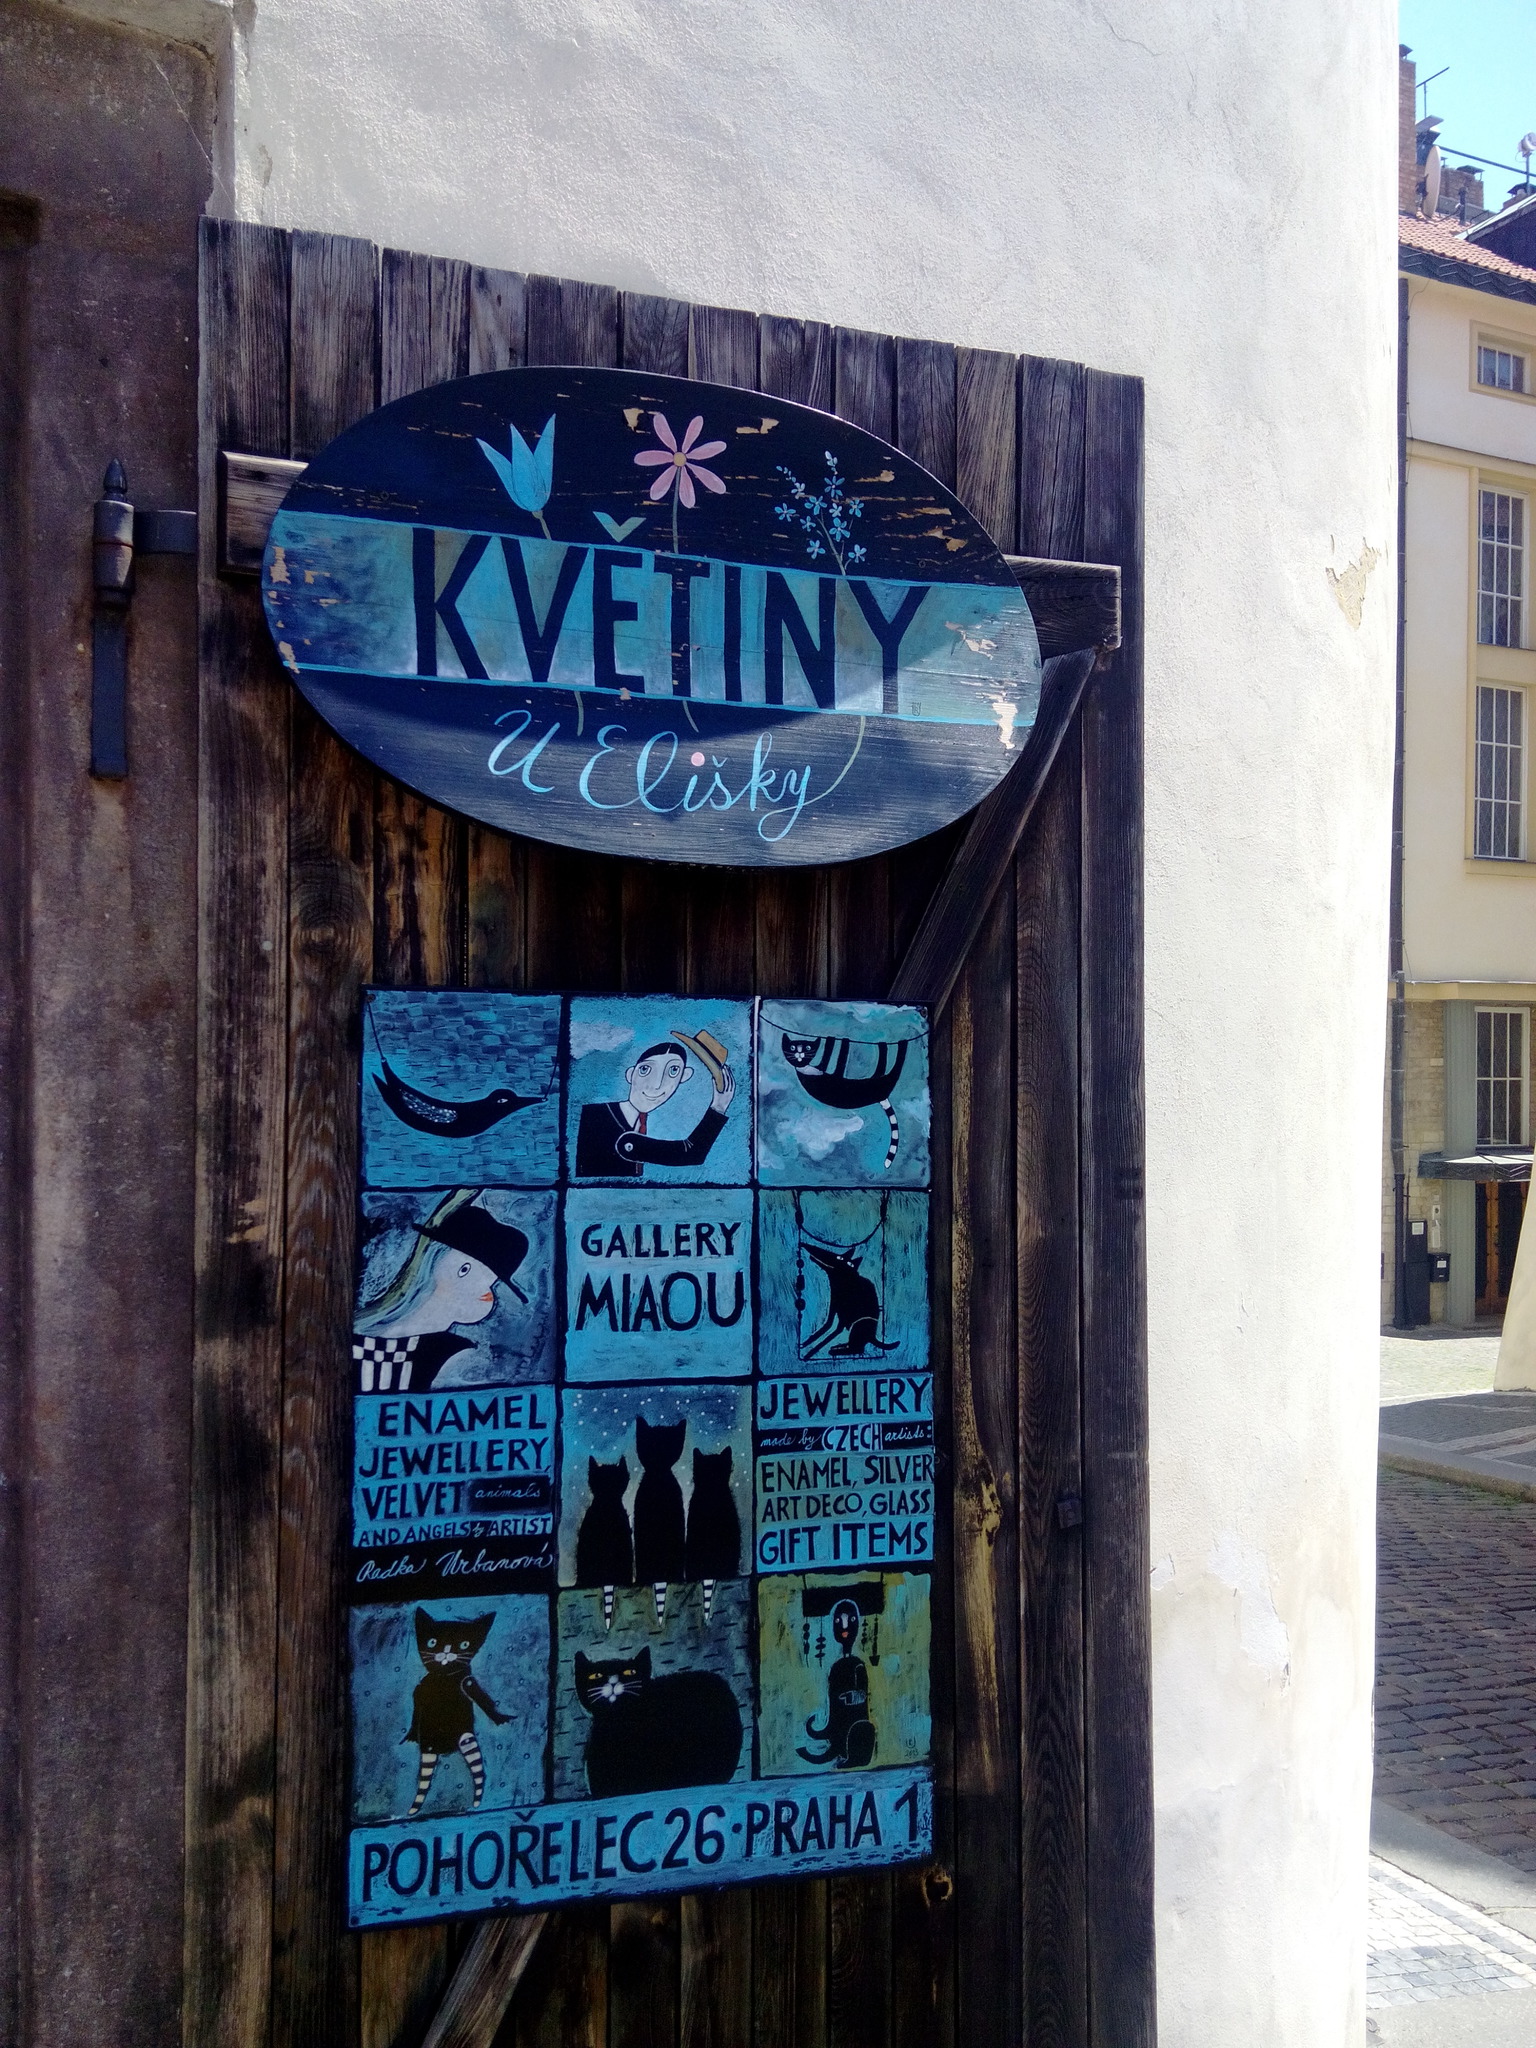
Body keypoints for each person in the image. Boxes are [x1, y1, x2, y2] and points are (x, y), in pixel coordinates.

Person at [352, 1189, 529, 1392]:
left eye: (491, 1281)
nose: (486, 1293)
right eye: (464, 1270)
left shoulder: (451, 1351)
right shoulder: (359, 1342)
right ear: (429, 1263)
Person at [574, 1027, 735, 1178]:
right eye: (645, 1070)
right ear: (631, 1074)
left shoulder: (638, 1124)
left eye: (673, 1071)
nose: (657, 1085)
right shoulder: (596, 1117)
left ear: (684, 1077)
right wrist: (718, 1107)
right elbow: (691, 1154)